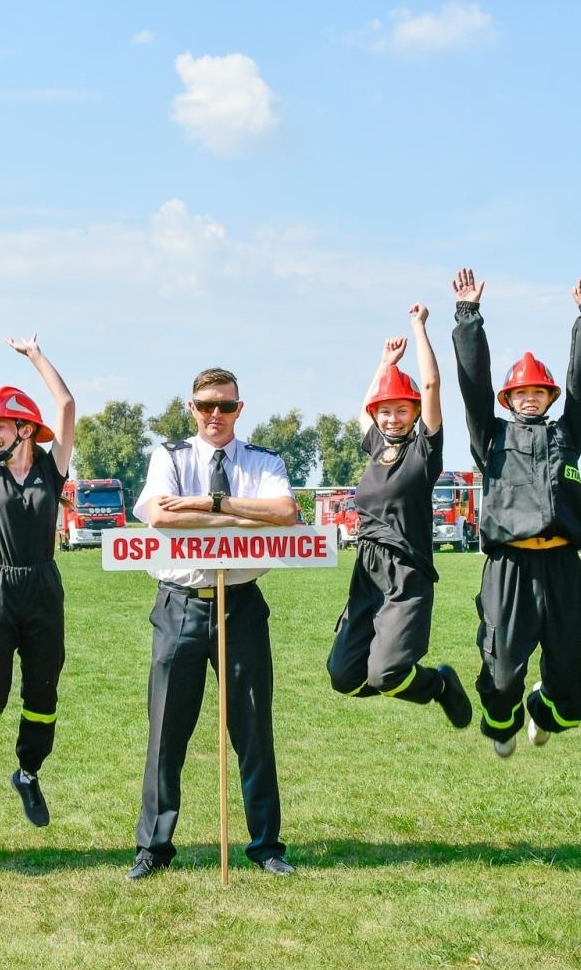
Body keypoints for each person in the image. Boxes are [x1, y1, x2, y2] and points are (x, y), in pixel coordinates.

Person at [127, 368, 299, 880]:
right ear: (191, 407)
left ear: (239, 408)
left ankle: (267, 845)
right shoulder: (170, 456)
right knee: (166, 732)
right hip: (179, 602)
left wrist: (209, 503)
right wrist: (248, 518)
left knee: (252, 729)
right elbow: (160, 514)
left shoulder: (263, 461)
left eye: (225, 405)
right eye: (206, 406)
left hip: (241, 605)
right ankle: (153, 849)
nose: (215, 415)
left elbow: (287, 512)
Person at [451, 268, 581, 756]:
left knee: (578, 684)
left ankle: (543, 712)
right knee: (500, 676)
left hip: (564, 567)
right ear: (509, 399)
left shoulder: (566, 436)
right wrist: (468, 317)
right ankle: (504, 723)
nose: (530, 399)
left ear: (548, 398)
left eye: (539, 393)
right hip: (509, 569)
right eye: (522, 393)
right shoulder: (491, 437)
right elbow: (473, 386)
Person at [326, 305, 472, 728]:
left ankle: (439, 685)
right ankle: (393, 677)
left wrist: (419, 328)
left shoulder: (423, 452)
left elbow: (430, 384)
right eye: (385, 410)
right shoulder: (376, 447)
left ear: (414, 415)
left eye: (402, 410)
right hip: (366, 569)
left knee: (386, 674)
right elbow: (362, 413)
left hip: (406, 571)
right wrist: (384, 363)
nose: (393, 417)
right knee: (344, 678)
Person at [0, 329, 76, 826]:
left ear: (26, 430)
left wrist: (35, 355)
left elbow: (66, 405)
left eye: (0, 426)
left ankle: (27, 772)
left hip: (44, 586)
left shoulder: (52, 470)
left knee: (42, 691)